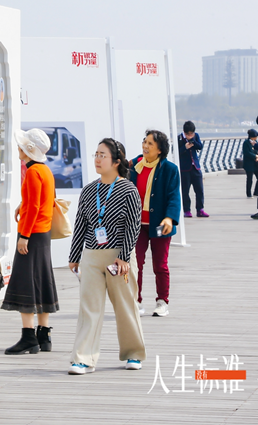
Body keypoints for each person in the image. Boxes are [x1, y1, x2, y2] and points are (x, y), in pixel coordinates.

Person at [67, 139, 145, 374]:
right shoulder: (89, 190)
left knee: (125, 306)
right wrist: (74, 255)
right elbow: (81, 223)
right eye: (96, 154)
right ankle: (83, 358)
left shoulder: (129, 190)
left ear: (117, 161)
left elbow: (133, 226)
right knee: (89, 307)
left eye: (103, 155)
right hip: (92, 256)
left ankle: (133, 353)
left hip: (119, 257)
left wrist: (124, 257)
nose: (97, 159)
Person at [3, 129, 58, 355]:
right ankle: (44, 335)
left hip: (32, 234)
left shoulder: (33, 172)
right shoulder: (45, 170)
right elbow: (46, 201)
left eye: (21, 146)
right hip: (43, 233)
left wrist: (24, 236)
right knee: (42, 281)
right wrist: (22, 204)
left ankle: (28, 337)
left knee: (25, 283)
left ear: (28, 150)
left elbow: (34, 206)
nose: (18, 148)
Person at [129, 129, 181, 317]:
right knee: (135, 264)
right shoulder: (134, 165)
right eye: (145, 142)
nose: (145, 146)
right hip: (137, 225)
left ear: (160, 149)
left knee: (160, 264)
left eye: (150, 143)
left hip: (159, 225)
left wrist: (169, 218)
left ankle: (162, 302)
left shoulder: (170, 169)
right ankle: (135, 301)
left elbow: (174, 197)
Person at [178, 121, 208, 218]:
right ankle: (187, 210)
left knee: (199, 190)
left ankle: (200, 209)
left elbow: (200, 146)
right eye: (188, 134)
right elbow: (176, 152)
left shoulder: (196, 136)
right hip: (185, 169)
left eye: (192, 133)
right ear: (184, 131)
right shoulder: (179, 138)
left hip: (196, 167)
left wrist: (193, 141)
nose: (190, 135)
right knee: (185, 191)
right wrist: (185, 147)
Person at [242, 129, 258, 198]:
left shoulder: (256, 142)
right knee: (249, 179)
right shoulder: (246, 143)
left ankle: (257, 192)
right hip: (249, 164)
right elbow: (247, 153)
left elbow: (257, 150)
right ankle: (249, 193)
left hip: (256, 163)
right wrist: (255, 156)